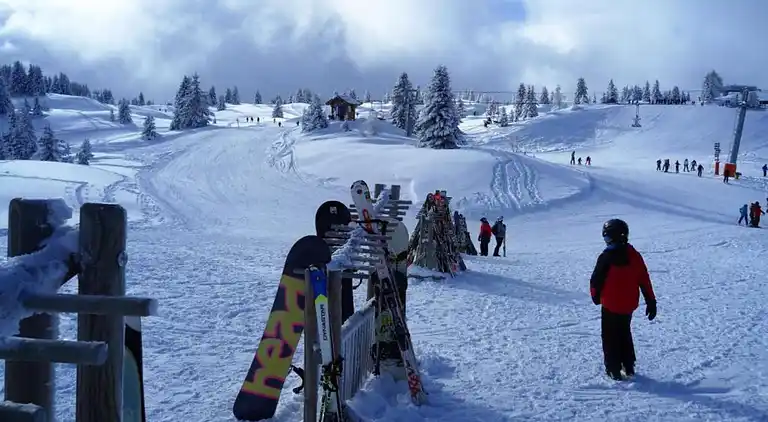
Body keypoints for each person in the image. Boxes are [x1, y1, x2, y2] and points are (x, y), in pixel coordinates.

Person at [589, 219, 657, 380]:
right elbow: (644, 278)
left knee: (609, 335)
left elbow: (596, 280)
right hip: (628, 304)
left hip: (610, 305)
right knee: (624, 331)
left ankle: (613, 368)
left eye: (606, 237)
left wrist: (595, 296)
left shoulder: (606, 257)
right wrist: (651, 300)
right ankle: (628, 365)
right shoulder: (634, 255)